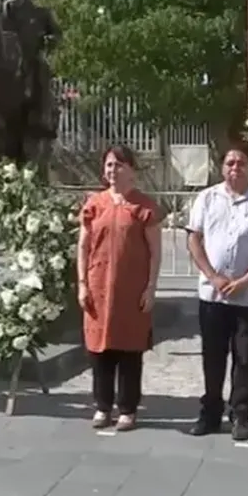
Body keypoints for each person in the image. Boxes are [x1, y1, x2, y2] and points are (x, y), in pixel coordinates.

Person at [184, 144, 248, 441]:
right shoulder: (207, 198)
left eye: (241, 163)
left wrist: (246, 280)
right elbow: (194, 240)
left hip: (247, 296)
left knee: (244, 357)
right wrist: (213, 276)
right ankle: (210, 412)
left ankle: (240, 413)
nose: (235, 168)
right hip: (212, 294)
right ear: (221, 168)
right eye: (230, 163)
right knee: (213, 356)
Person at [77, 145, 163, 431]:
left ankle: (127, 409)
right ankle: (102, 406)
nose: (113, 171)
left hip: (131, 290)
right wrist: (82, 283)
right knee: (99, 351)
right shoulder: (94, 204)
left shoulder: (144, 207)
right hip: (98, 287)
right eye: (109, 165)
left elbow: (155, 251)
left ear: (132, 170)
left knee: (129, 349)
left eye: (119, 165)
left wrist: (151, 287)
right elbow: (83, 246)